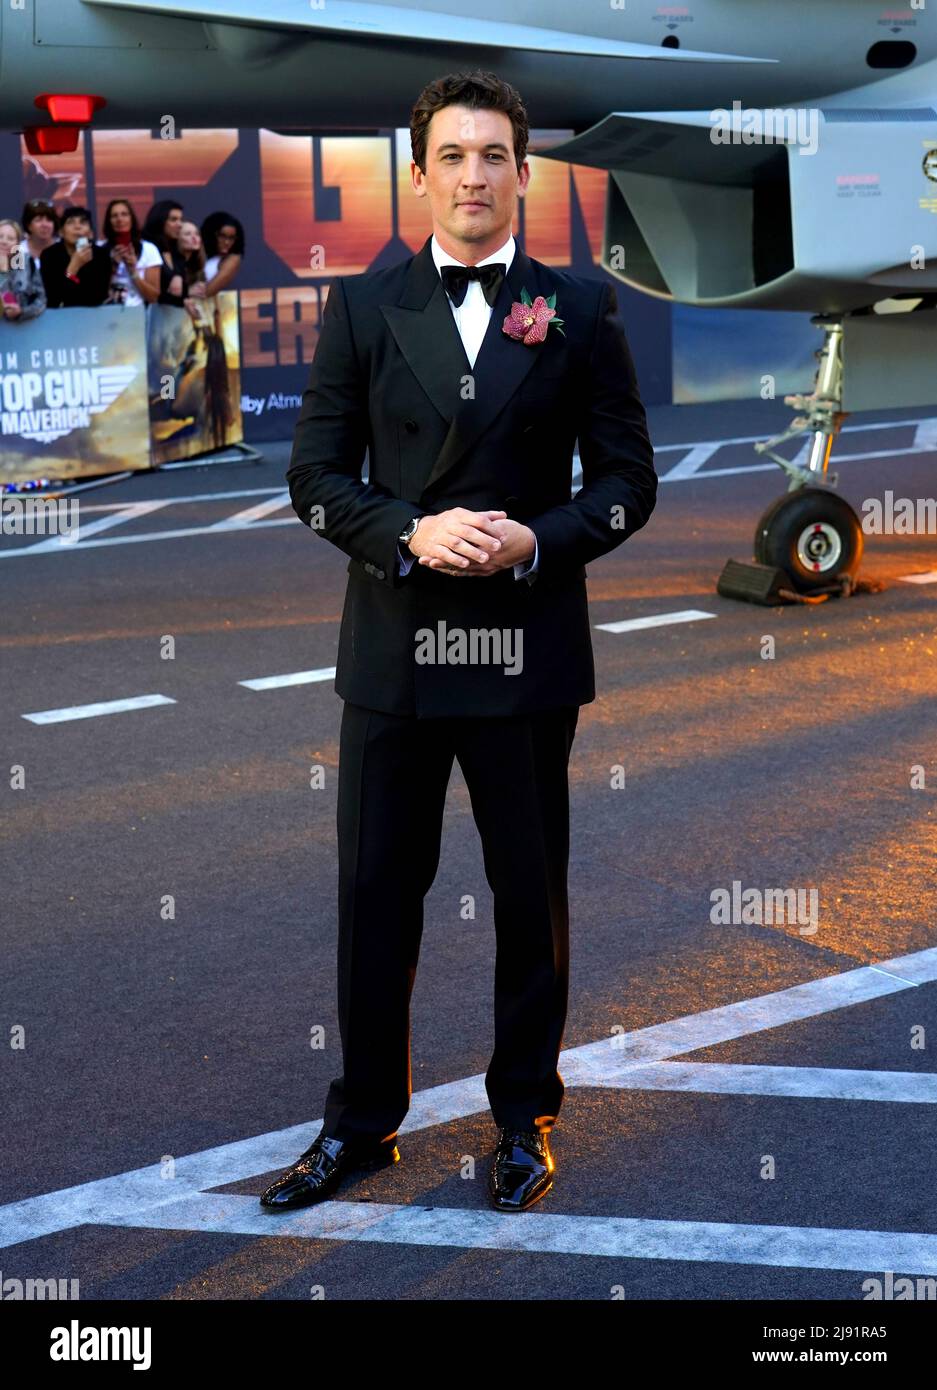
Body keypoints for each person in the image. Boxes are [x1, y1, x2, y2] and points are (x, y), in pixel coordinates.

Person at [263, 69, 657, 1216]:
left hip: (526, 655)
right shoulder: (362, 303)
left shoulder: (579, 311)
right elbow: (315, 478)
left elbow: (629, 486)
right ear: (420, 172)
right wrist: (410, 530)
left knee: (529, 896)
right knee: (376, 892)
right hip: (395, 655)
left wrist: (532, 540)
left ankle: (523, 1116)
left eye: (494, 155)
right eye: (453, 155)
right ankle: (363, 1122)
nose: (473, 175)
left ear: (522, 174)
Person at [39, 206, 111, 307]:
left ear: (90, 233)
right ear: (61, 232)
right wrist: (74, 267)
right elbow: (54, 298)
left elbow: (97, 296)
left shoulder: (101, 255)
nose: (77, 227)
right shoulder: (49, 255)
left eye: (83, 223)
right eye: (71, 222)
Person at [98, 198, 162, 306]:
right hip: (106, 313)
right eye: (114, 216)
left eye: (124, 214)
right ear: (108, 221)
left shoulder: (149, 249)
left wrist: (133, 272)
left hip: (137, 314)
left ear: (132, 219)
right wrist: (112, 268)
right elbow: (93, 292)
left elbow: (153, 297)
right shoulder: (99, 249)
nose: (119, 219)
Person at [0, 218, 46, 321]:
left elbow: (41, 299)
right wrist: (3, 272)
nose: (4, 242)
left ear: (18, 243)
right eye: (0, 237)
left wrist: (22, 311)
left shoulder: (26, 262)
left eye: (10, 238)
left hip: (22, 329)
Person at [141, 199, 186, 306]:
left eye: (181, 219)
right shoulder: (147, 249)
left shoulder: (177, 251)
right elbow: (152, 294)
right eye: (173, 219)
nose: (180, 224)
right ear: (160, 221)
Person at [196, 212, 244, 296]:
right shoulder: (198, 250)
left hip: (203, 306)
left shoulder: (233, 259)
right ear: (211, 234)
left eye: (231, 238)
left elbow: (206, 292)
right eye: (222, 236)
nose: (227, 242)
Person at [19, 199, 59, 275]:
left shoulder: (64, 250)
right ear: (28, 225)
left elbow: (74, 279)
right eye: (38, 220)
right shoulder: (18, 251)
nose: (45, 225)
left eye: (49, 220)